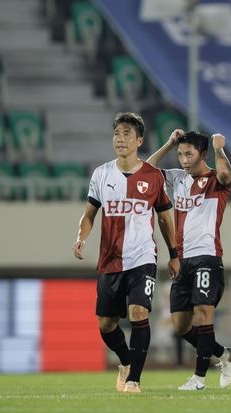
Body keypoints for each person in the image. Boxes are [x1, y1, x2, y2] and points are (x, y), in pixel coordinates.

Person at [72, 112, 180, 393]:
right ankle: (125, 361)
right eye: (117, 134)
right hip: (110, 260)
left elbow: (166, 219)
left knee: (138, 312)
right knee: (106, 325)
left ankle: (134, 380)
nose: (120, 139)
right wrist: (81, 237)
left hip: (142, 257)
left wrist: (174, 253)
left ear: (139, 140)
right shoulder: (102, 174)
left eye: (127, 134)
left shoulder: (153, 177)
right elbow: (89, 215)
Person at [147, 130, 231, 391]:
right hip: (182, 261)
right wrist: (167, 143)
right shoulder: (177, 179)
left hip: (207, 257)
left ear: (203, 154)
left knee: (203, 315)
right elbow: (146, 169)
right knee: (181, 325)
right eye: (180, 154)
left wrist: (220, 149)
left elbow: (224, 174)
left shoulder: (215, 181)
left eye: (189, 153)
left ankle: (199, 379)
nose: (184, 159)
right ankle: (224, 355)